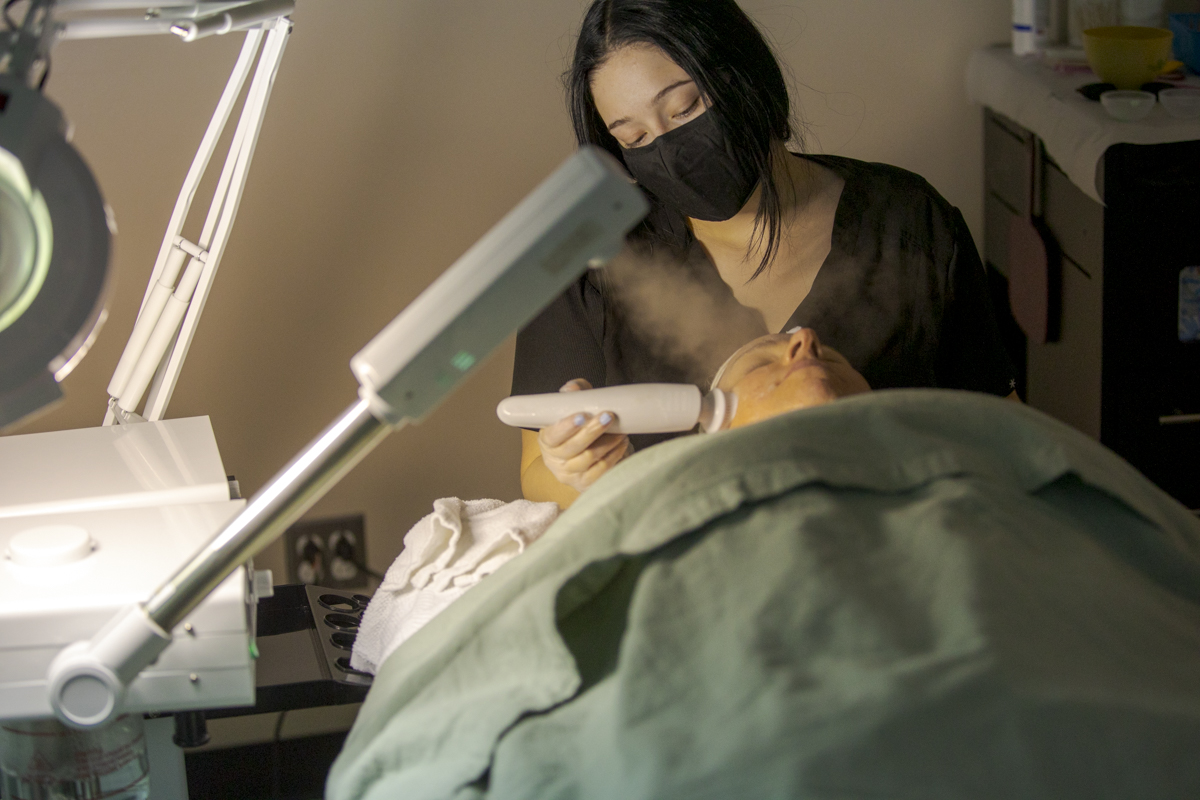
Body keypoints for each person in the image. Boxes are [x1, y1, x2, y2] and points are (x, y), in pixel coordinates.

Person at [330, 333, 1200, 800]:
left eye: (828, 355)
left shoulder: (958, 442)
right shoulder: (671, 485)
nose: (805, 337)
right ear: (711, 424)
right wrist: (603, 483)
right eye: (764, 355)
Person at [513, 0, 1017, 509]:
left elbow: (1000, 426)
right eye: (634, 137)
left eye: (686, 108)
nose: (668, 152)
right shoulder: (594, 256)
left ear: (744, 78)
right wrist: (585, 471)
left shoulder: (908, 221)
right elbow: (536, 471)